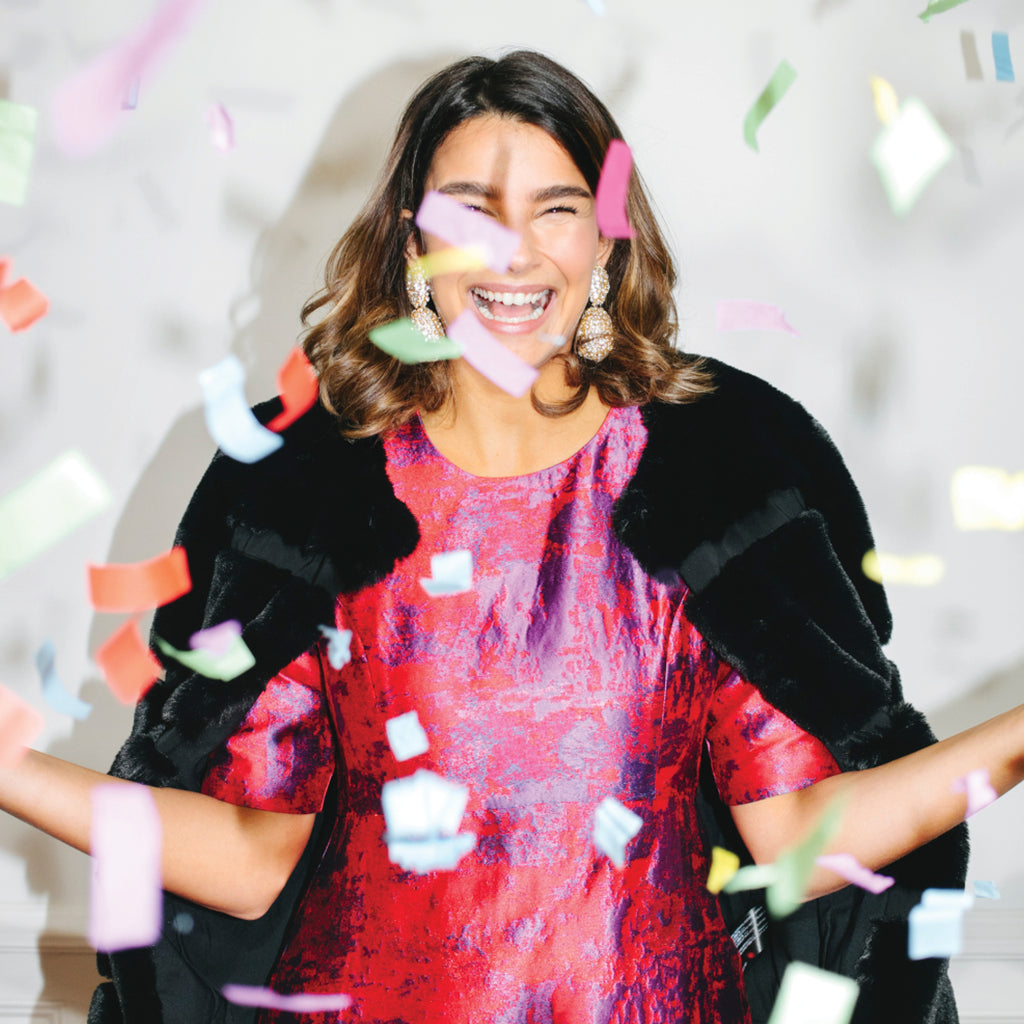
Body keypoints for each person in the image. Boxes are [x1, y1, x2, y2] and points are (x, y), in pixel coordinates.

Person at [1, 49, 1022, 1024]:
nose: (514, 250)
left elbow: (797, 830)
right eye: (472, 209)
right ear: (412, 241)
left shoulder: (711, 479)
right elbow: (249, 851)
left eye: (556, 209)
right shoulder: (314, 494)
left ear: (604, 240)